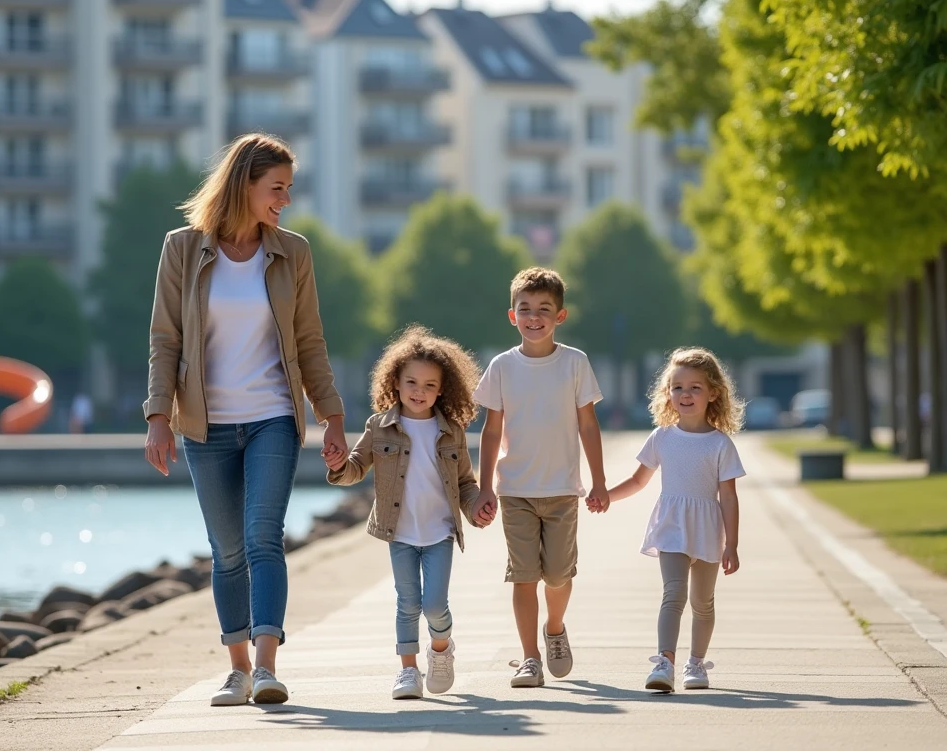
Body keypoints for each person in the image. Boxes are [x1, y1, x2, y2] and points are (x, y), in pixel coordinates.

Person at [142, 133, 347, 706]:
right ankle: (235, 667)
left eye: (288, 189)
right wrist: (158, 415)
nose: (284, 200)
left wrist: (331, 415)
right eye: (275, 189)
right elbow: (165, 339)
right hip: (205, 425)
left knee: (263, 538)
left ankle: (265, 667)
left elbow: (309, 341)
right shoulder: (182, 248)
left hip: (272, 417)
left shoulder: (292, 252)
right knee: (227, 549)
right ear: (244, 185)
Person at [327, 325, 492, 699]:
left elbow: (466, 482)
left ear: (442, 389)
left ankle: (441, 649)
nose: (420, 392)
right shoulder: (379, 426)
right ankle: (407, 672)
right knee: (407, 604)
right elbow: (355, 467)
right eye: (412, 382)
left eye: (430, 385)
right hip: (398, 531)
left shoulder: (451, 431)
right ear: (395, 383)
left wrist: (476, 506)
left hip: (439, 531)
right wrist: (338, 464)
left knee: (434, 606)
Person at [472, 267, 606, 688]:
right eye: (524, 309)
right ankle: (530, 658)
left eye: (543, 309)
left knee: (559, 575)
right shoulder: (501, 367)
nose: (534, 317)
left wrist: (599, 481)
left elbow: (588, 425)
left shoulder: (575, 363)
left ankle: (554, 627)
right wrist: (483, 487)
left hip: (563, 489)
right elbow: (491, 430)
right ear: (512, 315)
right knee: (524, 575)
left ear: (560, 316)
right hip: (515, 491)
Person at [595, 347, 745, 692]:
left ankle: (696, 664)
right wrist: (605, 496)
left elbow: (729, 496)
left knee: (702, 601)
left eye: (695, 387)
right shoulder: (662, 436)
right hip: (672, 527)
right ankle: (665, 663)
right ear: (668, 393)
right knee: (673, 594)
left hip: (708, 530)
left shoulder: (721, 445)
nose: (686, 394)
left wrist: (732, 544)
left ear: (713, 393)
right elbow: (637, 481)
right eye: (678, 387)